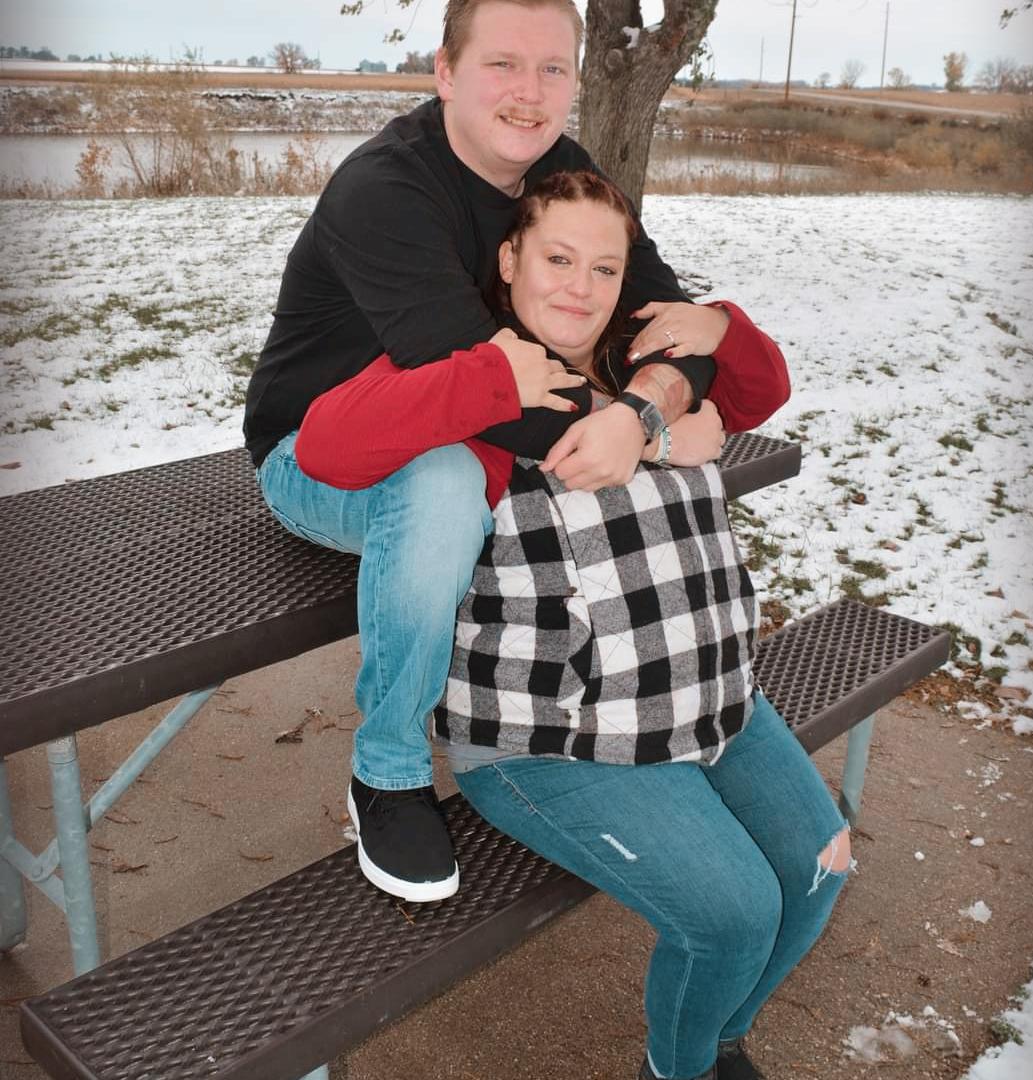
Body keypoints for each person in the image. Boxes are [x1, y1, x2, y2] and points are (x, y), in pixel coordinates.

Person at [298, 171, 850, 1080]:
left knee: (820, 866)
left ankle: (715, 1040)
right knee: (734, 915)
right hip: (552, 739)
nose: (579, 289)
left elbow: (762, 383)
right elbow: (326, 443)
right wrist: (481, 382)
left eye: (604, 268)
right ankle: (684, 1068)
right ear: (508, 259)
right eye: (557, 259)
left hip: (712, 700)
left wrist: (718, 329)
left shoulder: (655, 376)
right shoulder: (468, 379)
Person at [244, 0, 784, 904]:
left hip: (468, 423)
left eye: (552, 69)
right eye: (502, 64)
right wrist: (648, 427)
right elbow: (499, 398)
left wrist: (658, 401)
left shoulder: (561, 171)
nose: (529, 94)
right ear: (445, 72)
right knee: (447, 478)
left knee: (504, 487)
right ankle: (387, 768)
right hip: (326, 448)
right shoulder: (386, 190)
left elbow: (666, 322)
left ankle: (620, 717)